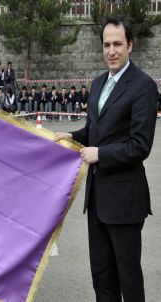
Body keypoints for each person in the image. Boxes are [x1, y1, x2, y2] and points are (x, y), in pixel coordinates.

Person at [54, 17, 158, 302]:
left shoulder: (143, 86)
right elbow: (93, 131)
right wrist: (70, 137)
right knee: (102, 277)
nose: (111, 51)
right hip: (97, 200)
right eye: (106, 45)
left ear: (130, 46)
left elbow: (140, 145)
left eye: (117, 44)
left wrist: (100, 154)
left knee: (128, 279)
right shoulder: (98, 84)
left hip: (124, 202)